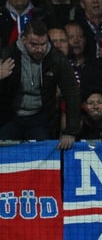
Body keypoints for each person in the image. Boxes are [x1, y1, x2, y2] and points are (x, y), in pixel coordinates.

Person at [0, 20, 80, 148]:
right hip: (10, 115)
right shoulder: (8, 54)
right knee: (4, 152)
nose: (39, 49)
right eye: (34, 44)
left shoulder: (57, 58)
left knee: (44, 151)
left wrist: (70, 132)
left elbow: (72, 93)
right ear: (24, 39)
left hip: (40, 116)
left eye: (43, 44)